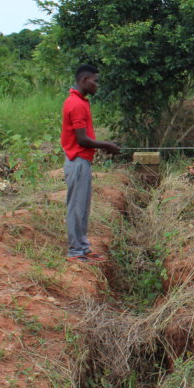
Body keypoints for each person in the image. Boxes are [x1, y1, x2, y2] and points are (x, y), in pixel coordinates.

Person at [61, 64, 120, 262]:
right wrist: (107, 145)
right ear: (84, 80)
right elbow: (82, 140)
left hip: (82, 161)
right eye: (95, 81)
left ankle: (83, 248)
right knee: (77, 207)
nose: (97, 85)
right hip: (77, 160)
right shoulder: (76, 104)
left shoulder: (80, 101)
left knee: (82, 207)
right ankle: (75, 252)